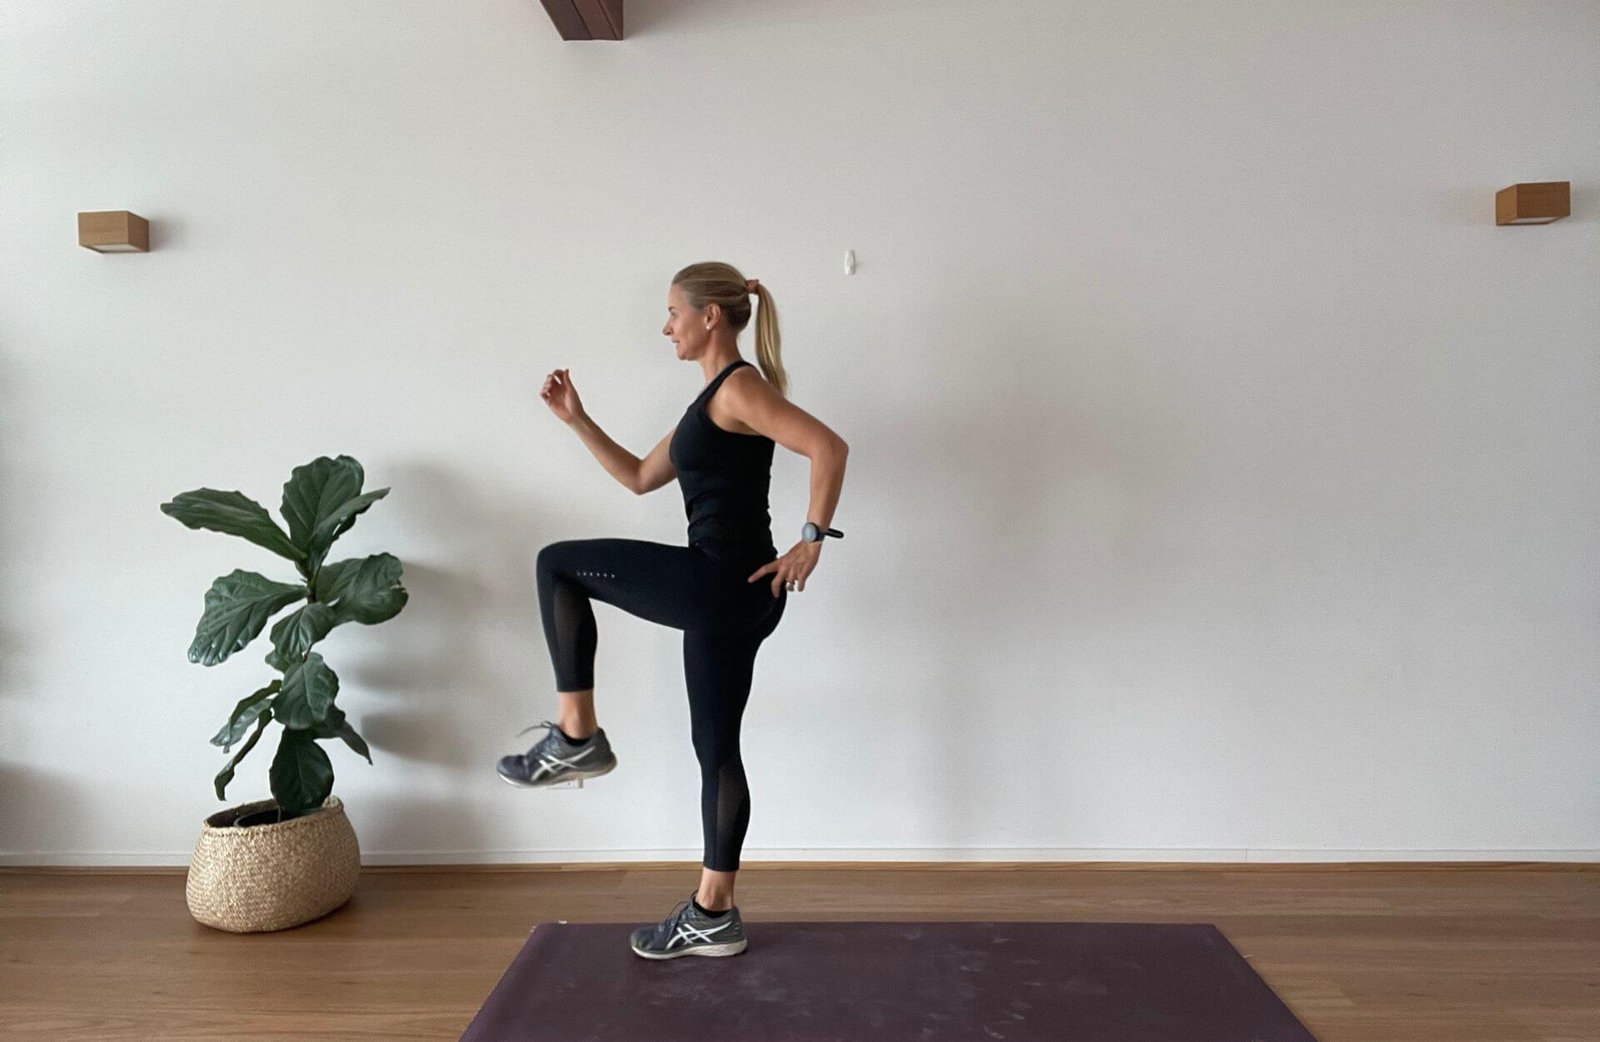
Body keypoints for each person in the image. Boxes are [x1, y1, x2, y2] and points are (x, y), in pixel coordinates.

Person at [497, 262, 849, 959]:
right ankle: (713, 912)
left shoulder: (740, 389)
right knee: (715, 751)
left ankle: (576, 737)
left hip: (722, 583)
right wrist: (578, 419)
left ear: (709, 317)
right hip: (739, 596)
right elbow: (636, 478)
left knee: (555, 564)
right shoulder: (711, 404)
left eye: (672, 314)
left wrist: (811, 540)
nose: (665, 328)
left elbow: (827, 447)